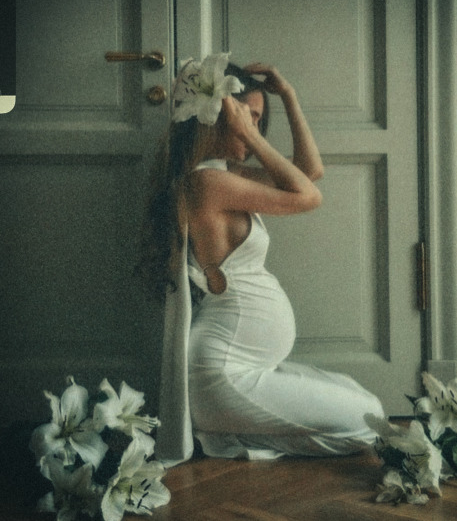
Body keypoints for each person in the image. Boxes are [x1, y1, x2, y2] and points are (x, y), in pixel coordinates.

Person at [137, 53, 384, 464]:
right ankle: (231, 434)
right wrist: (250, 136)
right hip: (223, 373)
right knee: (369, 423)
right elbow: (310, 197)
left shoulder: (221, 175)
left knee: (362, 398)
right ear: (219, 114)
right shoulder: (206, 183)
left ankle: (228, 432)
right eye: (247, 116)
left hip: (241, 367)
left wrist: (289, 97)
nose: (253, 126)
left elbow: (309, 172)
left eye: (257, 120)